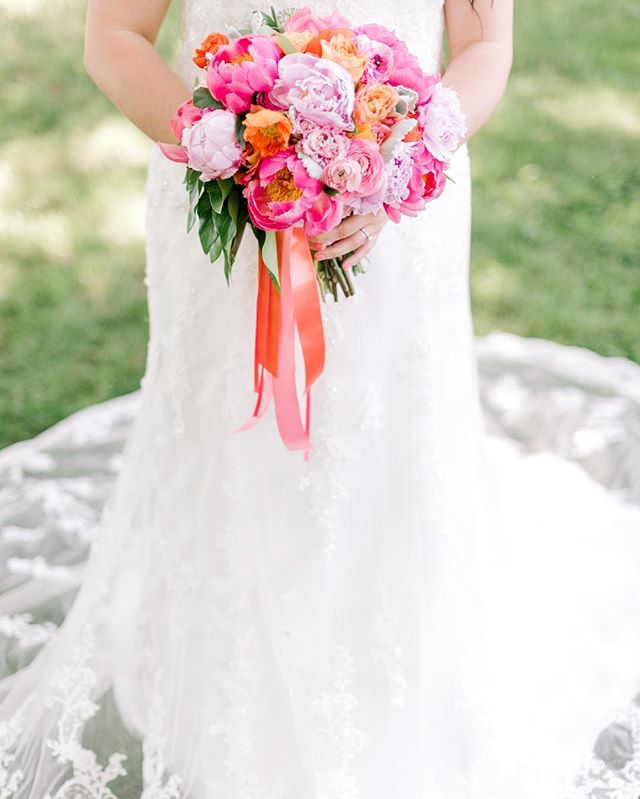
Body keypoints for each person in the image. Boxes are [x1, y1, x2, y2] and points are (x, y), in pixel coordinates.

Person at [0, 1, 638, 797]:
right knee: (236, 435)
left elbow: (485, 45)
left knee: (381, 451)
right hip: (227, 216)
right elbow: (113, 40)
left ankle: (392, 694)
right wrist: (241, 157)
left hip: (400, 215)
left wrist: (397, 164)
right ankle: (226, 683)